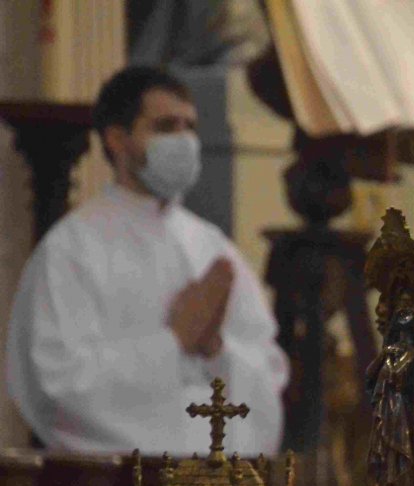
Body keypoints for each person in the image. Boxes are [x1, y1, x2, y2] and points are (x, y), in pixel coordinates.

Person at [6, 66, 287, 454]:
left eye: (190, 126)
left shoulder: (214, 248)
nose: (185, 140)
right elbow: (55, 383)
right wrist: (172, 344)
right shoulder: (73, 247)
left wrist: (216, 350)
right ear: (118, 139)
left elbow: (269, 371)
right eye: (166, 126)